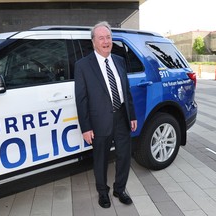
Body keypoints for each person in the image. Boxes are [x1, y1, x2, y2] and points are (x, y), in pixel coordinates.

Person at [74, 21, 137, 208]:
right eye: (101, 38)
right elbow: (81, 99)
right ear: (93, 42)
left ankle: (120, 189)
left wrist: (131, 115)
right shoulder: (83, 65)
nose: (106, 41)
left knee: (124, 156)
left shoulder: (119, 60)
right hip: (99, 121)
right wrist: (86, 127)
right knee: (100, 159)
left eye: (108, 37)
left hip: (121, 117)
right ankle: (103, 192)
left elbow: (126, 91)